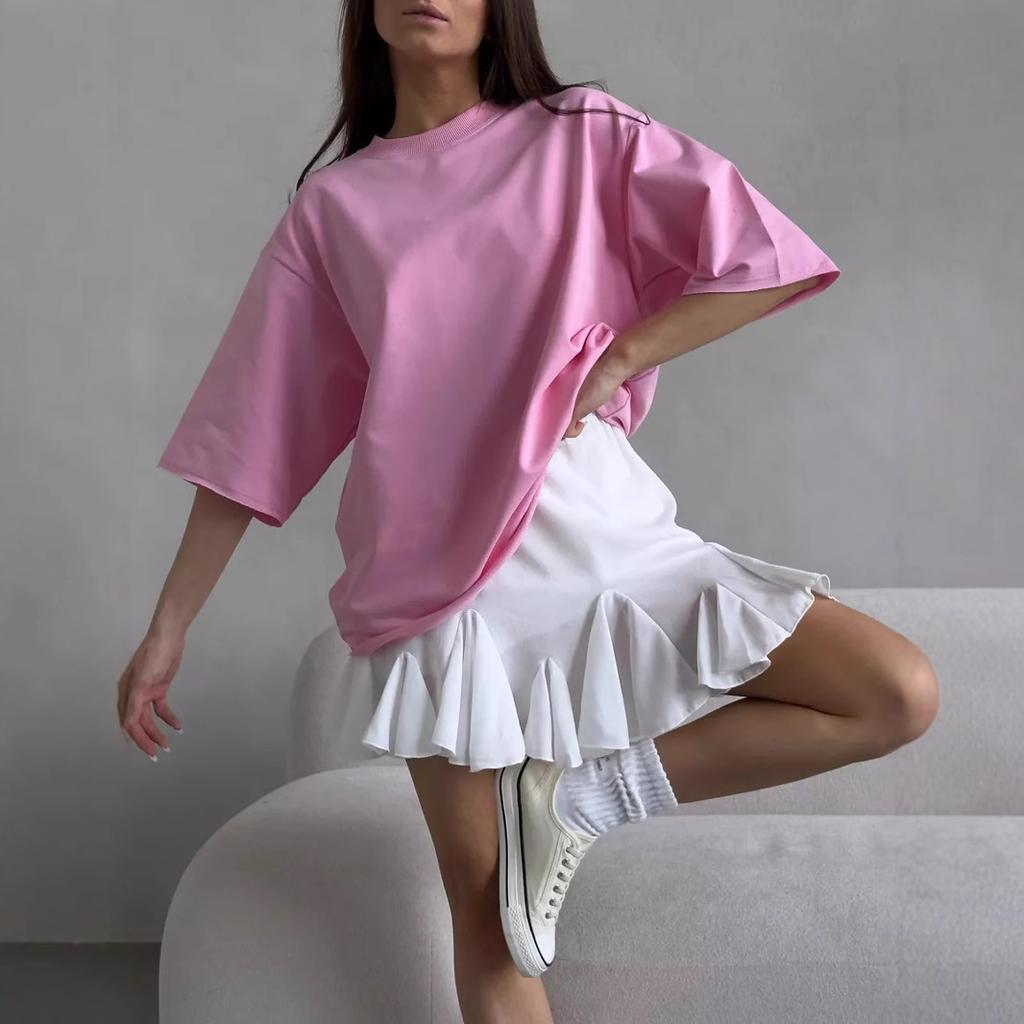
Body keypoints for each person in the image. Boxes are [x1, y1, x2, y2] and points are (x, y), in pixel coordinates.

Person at [117, 1, 941, 1020]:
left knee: (892, 691)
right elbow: (253, 429)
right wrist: (168, 627)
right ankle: (552, 814)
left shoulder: (584, 135)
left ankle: (580, 801)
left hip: (600, 531)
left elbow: (761, 257)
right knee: (492, 928)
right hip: (436, 586)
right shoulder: (334, 209)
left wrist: (626, 354)